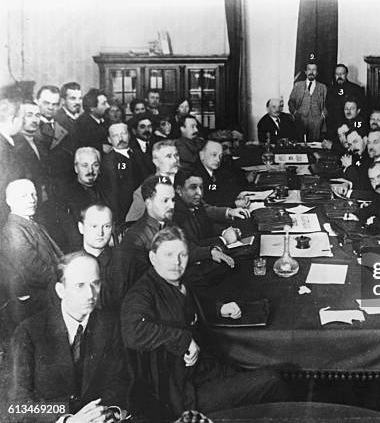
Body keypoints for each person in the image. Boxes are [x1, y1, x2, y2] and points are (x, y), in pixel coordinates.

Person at [121, 227, 287, 419]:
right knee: (272, 380)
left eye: (182, 255)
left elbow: (191, 306)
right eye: (168, 255)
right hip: (184, 394)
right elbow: (133, 331)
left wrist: (219, 309)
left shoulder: (179, 281)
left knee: (266, 373)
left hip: (206, 370)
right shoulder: (142, 293)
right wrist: (184, 339)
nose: (176, 262)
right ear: (153, 257)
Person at [9, 251, 129, 422]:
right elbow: (17, 404)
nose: (90, 294)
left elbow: (120, 383)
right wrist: (67, 420)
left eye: (95, 283)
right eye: (80, 285)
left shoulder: (110, 325)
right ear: (60, 290)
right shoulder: (28, 332)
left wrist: (109, 411)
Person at [1, 179, 63, 319]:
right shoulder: (14, 230)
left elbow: (57, 256)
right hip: (40, 300)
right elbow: (35, 272)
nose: (32, 200)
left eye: (33, 194)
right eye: (24, 196)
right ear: (9, 201)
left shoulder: (33, 223)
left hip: (53, 288)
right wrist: (67, 280)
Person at [121, 175, 176, 280]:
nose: (172, 206)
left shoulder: (171, 225)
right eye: (165, 201)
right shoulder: (136, 237)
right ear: (149, 203)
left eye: (173, 200)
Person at [79, 204, 133, 310]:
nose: (100, 233)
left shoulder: (126, 262)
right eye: (94, 226)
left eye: (106, 226)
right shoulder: (71, 266)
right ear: (81, 228)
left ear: (113, 228)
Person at [54, 147, 109, 252]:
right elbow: (71, 237)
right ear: (76, 168)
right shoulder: (65, 196)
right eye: (85, 165)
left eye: (95, 165)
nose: (90, 171)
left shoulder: (107, 189)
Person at [100, 123, 151, 223]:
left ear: (129, 135)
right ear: (109, 140)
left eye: (123, 133)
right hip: (124, 214)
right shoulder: (107, 162)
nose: (120, 138)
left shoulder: (141, 156)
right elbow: (112, 196)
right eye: (115, 135)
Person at [125, 140, 180, 222]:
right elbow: (131, 222)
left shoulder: (186, 179)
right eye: (169, 156)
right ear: (156, 162)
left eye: (176, 155)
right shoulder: (145, 189)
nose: (175, 160)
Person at [14, 101, 51, 203]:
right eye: (29, 115)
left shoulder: (41, 143)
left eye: (37, 115)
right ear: (20, 118)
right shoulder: (13, 145)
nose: (35, 120)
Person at [197, 140, 249, 209]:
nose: (218, 159)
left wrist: (236, 197)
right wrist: (233, 204)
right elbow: (208, 204)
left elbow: (221, 191)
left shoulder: (216, 169)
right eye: (214, 154)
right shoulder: (197, 175)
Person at [288, 59, 327, 141]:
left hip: (317, 122)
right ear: (305, 72)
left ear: (317, 72)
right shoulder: (298, 85)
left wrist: (322, 117)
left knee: (315, 144)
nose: (311, 72)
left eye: (314, 70)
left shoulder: (323, 87)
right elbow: (291, 102)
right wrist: (295, 113)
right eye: (309, 69)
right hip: (300, 120)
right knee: (300, 143)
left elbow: (327, 104)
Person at [0, 98, 25, 223]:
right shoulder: (2, 148)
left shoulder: (9, 143)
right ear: (12, 119)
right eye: (21, 118)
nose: (23, 122)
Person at [325, 63, 366, 135]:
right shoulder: (330, 90)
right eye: (337, 74)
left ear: (346, 74)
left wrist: (353, 126)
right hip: (333, 128)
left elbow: (362, 111)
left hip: (351, 128)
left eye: (342, 74)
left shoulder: (356, 89)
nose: (339, 76)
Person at [75, 89, 110, 153]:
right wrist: (101, 147)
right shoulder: (81, 125)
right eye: (104, 103)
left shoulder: (106, 120)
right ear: (92, 108)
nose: (108, 106)